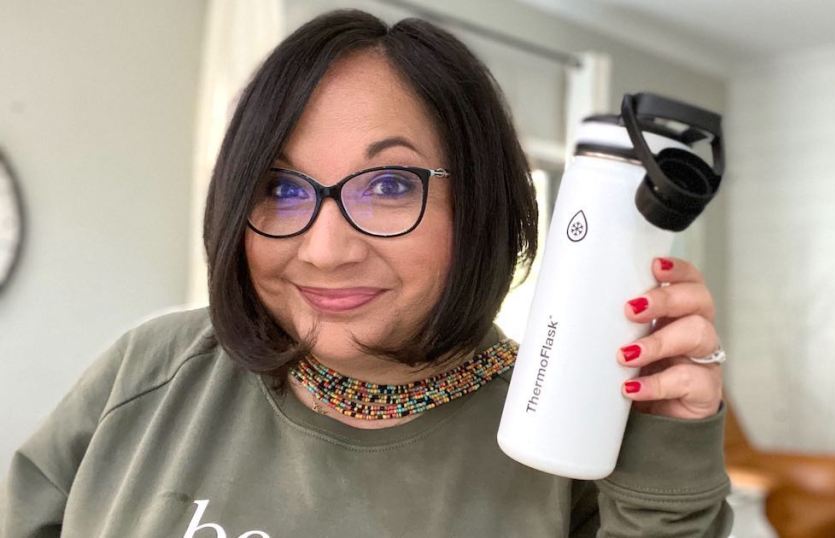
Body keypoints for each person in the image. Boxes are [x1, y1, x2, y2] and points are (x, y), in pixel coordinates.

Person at [0, 9, 732, 537]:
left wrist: (668, 451)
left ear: (477, 199)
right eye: (280, 189)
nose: (324, 250)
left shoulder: (567, 440)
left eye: (389, 186)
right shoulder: (151, 370)